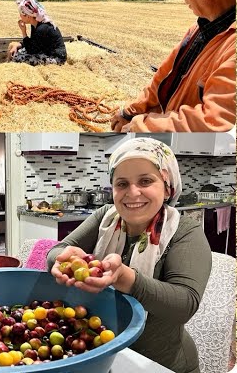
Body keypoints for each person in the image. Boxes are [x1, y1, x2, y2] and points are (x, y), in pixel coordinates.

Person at [47, 139, 211, 373]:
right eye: (122, 183)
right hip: (102, 354)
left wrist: (126, 278)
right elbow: (57, 251)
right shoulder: (106, 217)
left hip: (160, 364)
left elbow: (185, 304)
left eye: (146, 181)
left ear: (167, 187)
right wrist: (60, 259)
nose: (133, 193)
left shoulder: (185, 232)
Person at [109, 0, 236, 132]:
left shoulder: (233, 48)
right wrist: (130, 112)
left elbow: (213, 122)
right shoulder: (199, 28)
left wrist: (141, 127)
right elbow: (162, 77)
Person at [6, 0, 67, 64]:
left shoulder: (42, 28)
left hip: (56, 58)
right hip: (45, 52)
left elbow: (32, 50)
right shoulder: (35, 25)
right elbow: (33, 43)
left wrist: (24, 32)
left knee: (17, 58)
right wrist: (18, 45)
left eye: (21, 14)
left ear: (28, 16)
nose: (20, 16)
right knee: (17, 52)